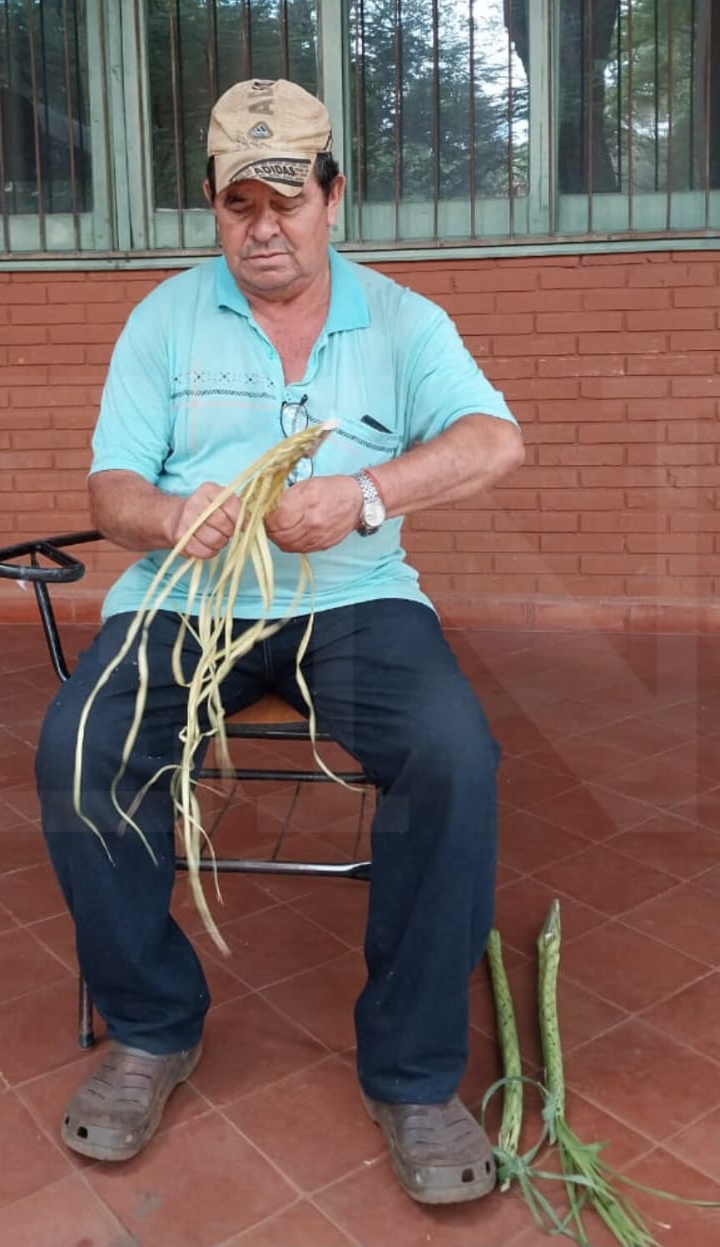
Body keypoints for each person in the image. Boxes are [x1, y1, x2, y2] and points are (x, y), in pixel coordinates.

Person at [35, 78, 524, 1208]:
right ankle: (153, 1026)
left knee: (452, 755)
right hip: (183, 600)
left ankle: (410, 1070)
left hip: (352, 599)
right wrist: (167, 520)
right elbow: (111, 486)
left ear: (333, 195)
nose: (263, 227)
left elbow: (494, 440)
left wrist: (365, 491)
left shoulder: (400, 320)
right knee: (78, 754)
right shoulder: (163, 319)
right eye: (237, 203)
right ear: (208, 203)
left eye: (286, 200)